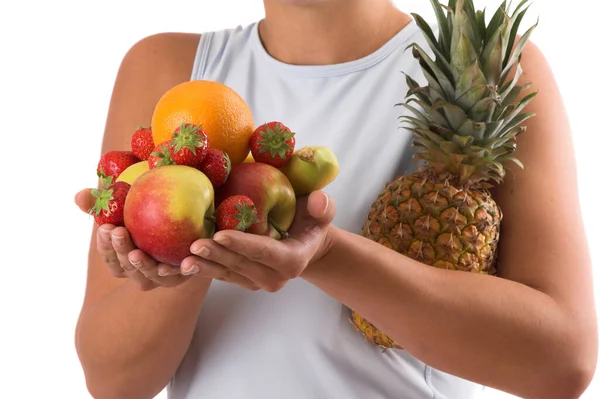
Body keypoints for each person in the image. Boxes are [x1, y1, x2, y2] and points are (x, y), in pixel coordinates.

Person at [73, 0, 598, 398]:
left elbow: (562, 360)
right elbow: (113, 380)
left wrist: (326, 257)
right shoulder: (168, 67)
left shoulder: (482, 69)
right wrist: (191, 251)